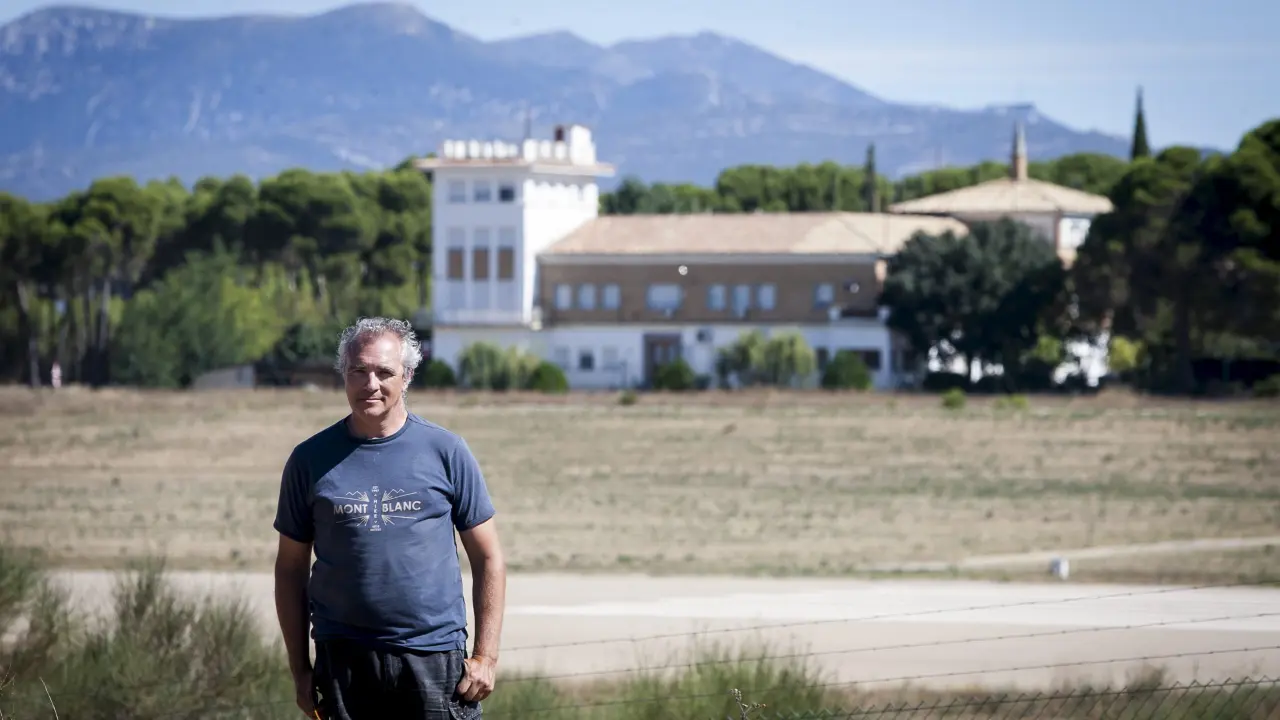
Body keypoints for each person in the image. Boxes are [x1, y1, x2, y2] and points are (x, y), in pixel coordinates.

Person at [273, 317, 505, 720]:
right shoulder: (308, 460)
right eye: (358, 371)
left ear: (407, 376)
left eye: (384, 372)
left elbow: (489, 558)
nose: (370, 384)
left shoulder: (446, 451)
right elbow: (290, 569)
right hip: (344, 661)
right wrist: (300, 668)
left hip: (434, 657)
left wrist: (486, 656)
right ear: (343, 374)